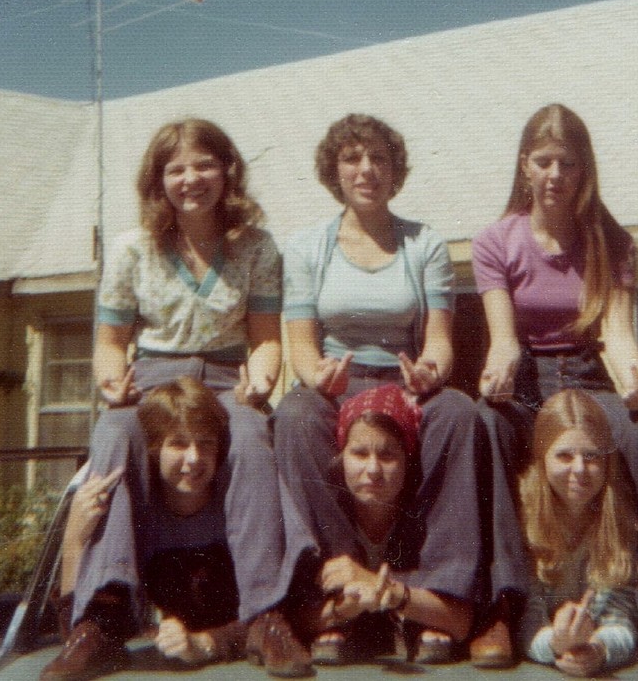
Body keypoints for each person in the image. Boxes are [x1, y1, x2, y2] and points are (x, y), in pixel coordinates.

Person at [42, 119, 314, 680]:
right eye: (177, 169)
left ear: (227, 172)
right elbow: (110, 343)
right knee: (114, 432)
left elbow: (266, 338)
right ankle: (103, 617)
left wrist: (260, 383)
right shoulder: (132, 249)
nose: (192, 179)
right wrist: (112, 381)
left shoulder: (256, 247)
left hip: (225, 378)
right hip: (153, 381)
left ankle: (266, 614)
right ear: (158, 180)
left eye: (205, 165)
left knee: (250, 434)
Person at [473, 104, 638, 679]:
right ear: (524, 166)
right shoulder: (495, 241)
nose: (555, 175)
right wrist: (499, 366)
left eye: (568, 163)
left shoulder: (612, 242)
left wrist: (635, 379)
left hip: (590, 377)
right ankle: (502, 606)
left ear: (585, 170)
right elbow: (503, 337)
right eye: (544, 162)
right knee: (483, 422)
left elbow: (617, 333)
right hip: (528, 375)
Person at [272, 113, 520, 666]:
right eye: (352, 158)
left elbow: (439, 341)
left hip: (403, 383)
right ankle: (336, 588)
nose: (366, 170)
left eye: (378, 159)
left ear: (395, 171)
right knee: (293, 416)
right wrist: (318, 377)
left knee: (458, 412)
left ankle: (439, 596)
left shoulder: (423, 244)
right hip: (337, 384)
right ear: (334, 171)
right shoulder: (308, 247)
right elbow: (302, 347)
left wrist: (430, 371)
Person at [54, 378, 247, 670]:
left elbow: (266, 611)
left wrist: (204, 643)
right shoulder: (132, 515)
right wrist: (73, 538)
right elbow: (75, 632)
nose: (194, 458)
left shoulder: (237, 507)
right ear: (155, 450)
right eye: (179, 443)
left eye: (205, 443)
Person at [299, 384, 473, 665]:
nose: (373, 470)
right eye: (359, 454)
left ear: (407, 460)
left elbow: (460, 621)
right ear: (342, 457)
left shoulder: (421, 515)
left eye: (388, 456)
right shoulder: (330, 516)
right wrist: (345, 608)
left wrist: (380, 587)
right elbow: (297, 618)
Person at [519, 389, 638, 677]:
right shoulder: (522, 516)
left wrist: (598, 649)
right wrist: (556, 643)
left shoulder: (618, 518)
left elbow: (621, 620)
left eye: (591, 456)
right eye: (564, 456)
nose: (579, 469)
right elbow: (525, 623)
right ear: (542, 458)